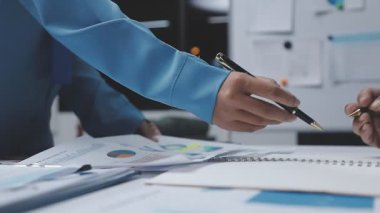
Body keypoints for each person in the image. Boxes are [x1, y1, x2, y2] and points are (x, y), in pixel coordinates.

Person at [0, 1, 299, 157]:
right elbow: (86, 18)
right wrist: (199, 85)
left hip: (30, 158)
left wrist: (122, 122)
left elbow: (68, 65)